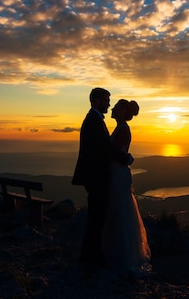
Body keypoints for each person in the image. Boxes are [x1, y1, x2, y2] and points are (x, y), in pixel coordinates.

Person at [72, 87, 130, 271]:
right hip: (96, 177)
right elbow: (106, 148)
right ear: (97, 101)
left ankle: (90, 254)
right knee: (97, 217)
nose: (109, 104)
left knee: (97, 217)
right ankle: (92, 256)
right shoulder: (94, 120)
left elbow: (105, 147)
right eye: (106, 100)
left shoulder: (94, 119)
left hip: (95, 176)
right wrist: (125, 159)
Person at [102, 99, 152, 278]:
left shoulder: (123, 129)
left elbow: (114, 153)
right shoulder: (121, 128)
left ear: (123, 111)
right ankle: (121, 254)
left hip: (118, 174)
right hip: (117, 173)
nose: (113, 109)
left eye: (116, 107)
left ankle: (124, 257)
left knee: (121, 211)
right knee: (118, 210)